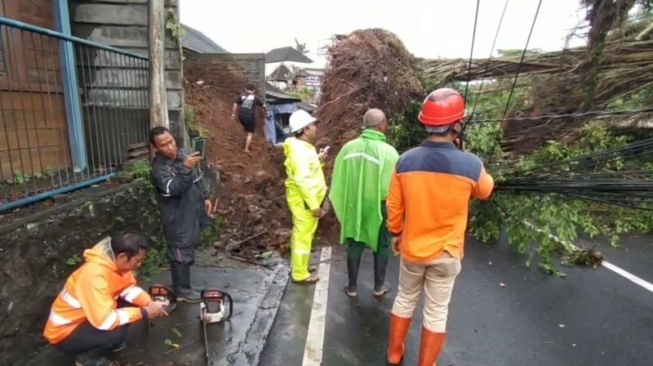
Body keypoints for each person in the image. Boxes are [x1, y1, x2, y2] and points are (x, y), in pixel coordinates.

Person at [385, 88, 495, 366]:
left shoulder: (405, 160)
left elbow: (394, 207)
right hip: (447, 253)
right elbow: (485, 191)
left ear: (426, 123)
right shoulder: (470, 164)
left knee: (405, 298)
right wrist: (468, 159)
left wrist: (396, 233)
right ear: (457, 125)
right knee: (436, 311)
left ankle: (394, 354)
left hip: (412, 249)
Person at [43, 231, 169, 366]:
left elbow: (128, 289)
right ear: (122, 256)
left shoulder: (118, 266)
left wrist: (149, 303)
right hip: (65, 332)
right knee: (115, 333)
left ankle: (103, 342)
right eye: (137, 260)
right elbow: (105, 321)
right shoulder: (94, 275)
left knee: (129, 308)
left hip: (86, 318)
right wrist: (144, 312)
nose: (139, 265)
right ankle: (87, 359)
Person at [328, 108, 399, 298]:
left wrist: (344, 202)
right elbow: (391, 187)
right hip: (380, 206)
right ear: (383, 125)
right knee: (382, 245)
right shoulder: (389, 152)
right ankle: (378, 287)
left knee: (355, 243)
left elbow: (338, 180)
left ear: (365, 125)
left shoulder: (347, 148)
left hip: (353, 204)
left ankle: (351, 287)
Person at [149, 126, 213, 303]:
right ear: (156, 148)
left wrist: (205, 197)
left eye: (170, 141)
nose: (170, 147)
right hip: (176, 217)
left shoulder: (184, 155)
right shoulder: (160, 170)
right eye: (163, 145)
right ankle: (182, 290)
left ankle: (186, 286)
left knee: (188, 246)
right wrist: (185, 168)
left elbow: (197, 177)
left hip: (191, 210)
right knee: (180, 250)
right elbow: (175, 189)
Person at [283, 109, 328, 284]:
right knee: (303, 236)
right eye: (312, 125)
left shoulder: (302, 148)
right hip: (305, 201)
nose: (315, 128)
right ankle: (300, 274)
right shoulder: (300, 151)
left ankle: (300, 265)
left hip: (305, 199)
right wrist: (314, 205)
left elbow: (307, 169)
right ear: (305, 129)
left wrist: (319, 159)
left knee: (303, 235)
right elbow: (302, 179)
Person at [231, 83, 267, 152]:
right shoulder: (255, 97)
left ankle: (248, 141)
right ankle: (246, 149)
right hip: (250, 117)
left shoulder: (241, 96)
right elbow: (264, 105)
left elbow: (235, 103)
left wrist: (233, 114)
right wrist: (265, 112)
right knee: (250, 133)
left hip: (241, 116)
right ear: (253, 90)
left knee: (245, 128)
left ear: (246, 89)